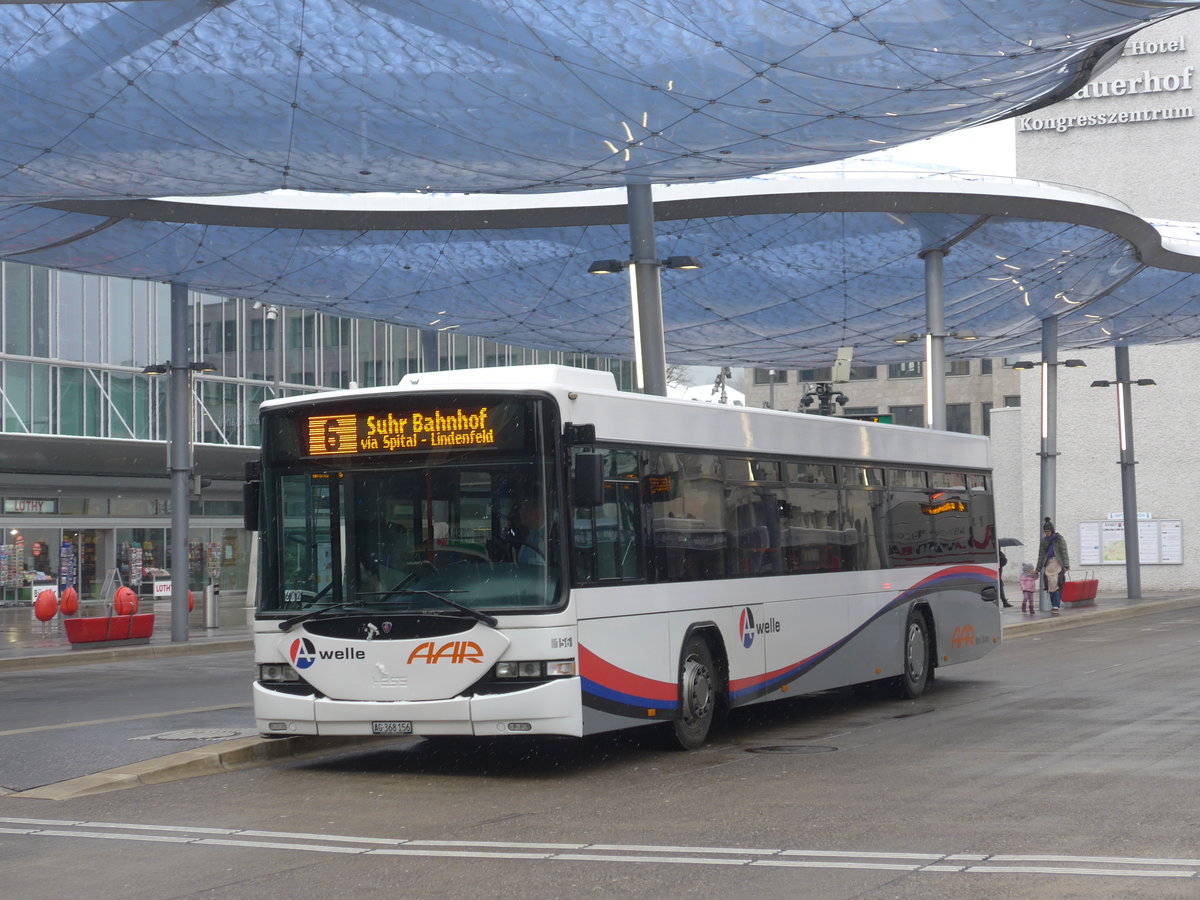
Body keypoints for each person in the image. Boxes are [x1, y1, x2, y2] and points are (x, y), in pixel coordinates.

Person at [1036, 518, 1070, 615]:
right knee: (1050, 585)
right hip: (1049, 564)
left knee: (1057, 584)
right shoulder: (1044, 541)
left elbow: (1064, 552)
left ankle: (1056, 605)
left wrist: (1066, 565)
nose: (1046, 533)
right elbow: (1041, 555)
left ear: (1052, 531)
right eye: (1045, 531)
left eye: (1048, 531)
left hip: (1058, 563)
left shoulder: (1059, 539)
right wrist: (1037, 569)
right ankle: (1054, 604)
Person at [515, 496, 546, 565]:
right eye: (521, 508)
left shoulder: (547, 536)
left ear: (539, 511)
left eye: (526, 507)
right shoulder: (531, 535)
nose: (521, 512)